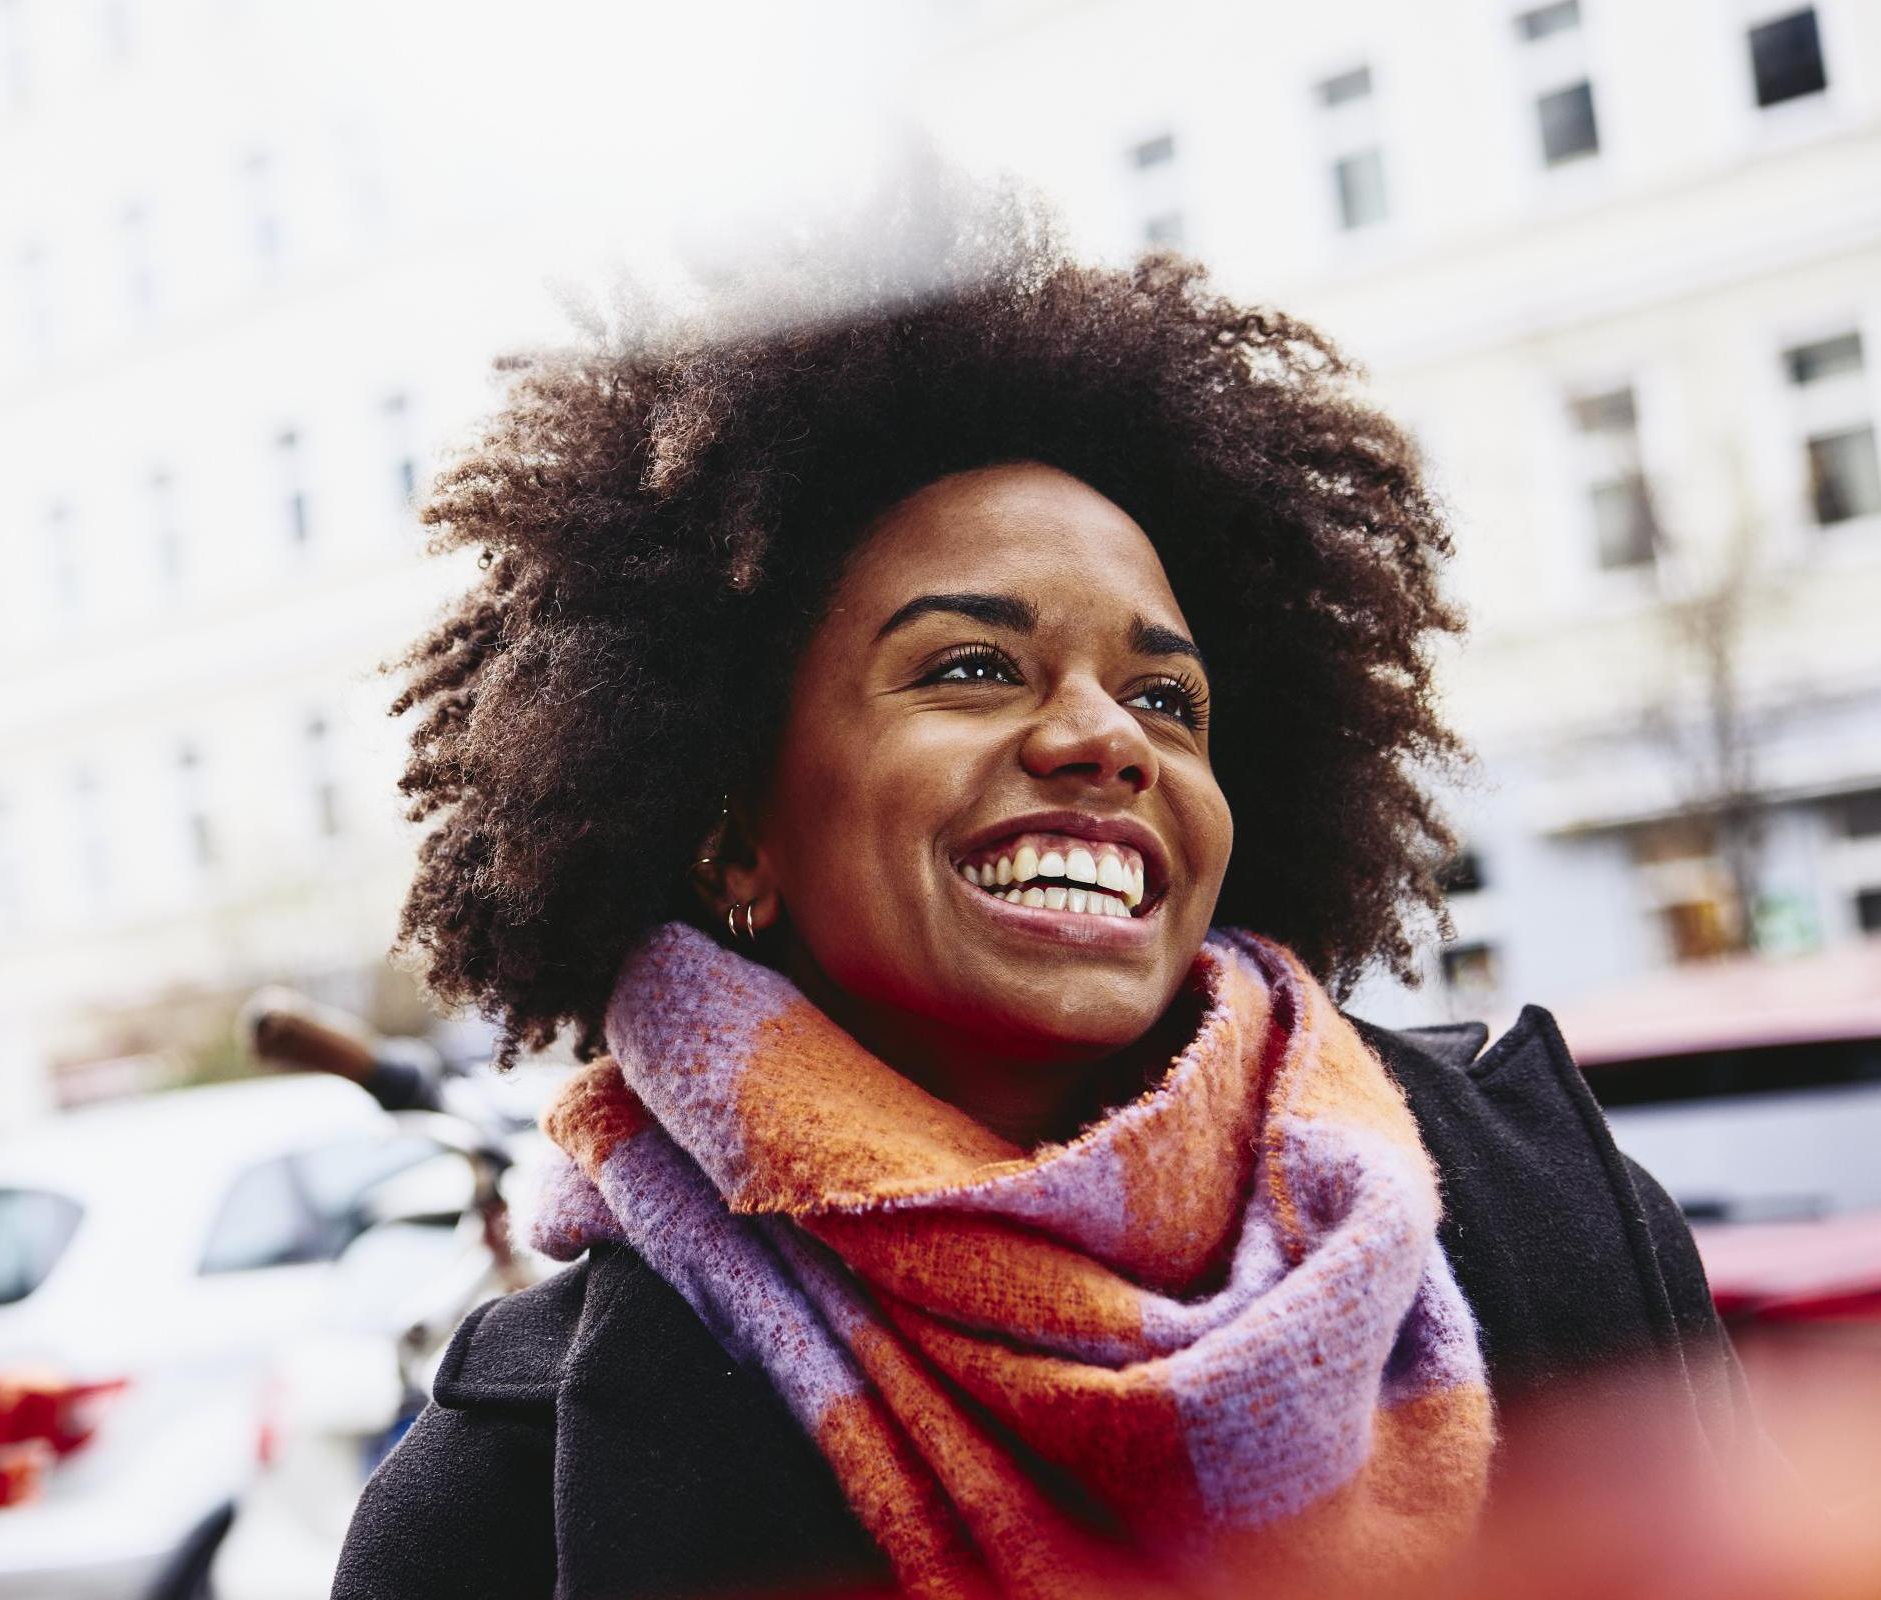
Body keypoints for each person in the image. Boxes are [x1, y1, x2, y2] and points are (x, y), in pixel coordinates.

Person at [333, 202, 1749, 1599]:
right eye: (968, 669)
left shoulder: (1550, 1218)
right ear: (733, 833)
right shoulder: (510, 1505)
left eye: (1165, 698)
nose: (1108, 740)